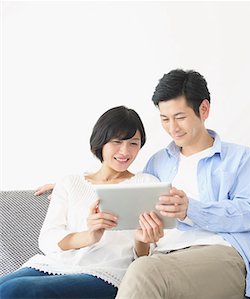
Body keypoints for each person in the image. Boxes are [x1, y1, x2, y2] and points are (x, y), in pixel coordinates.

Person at [35, 69, 250, 298]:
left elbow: (248, 214)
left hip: (218, 254)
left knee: (142, 271)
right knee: (142, 269)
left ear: (204, 109)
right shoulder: (159, 162)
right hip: (161, 258)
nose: (172, 128)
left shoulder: (240, 158)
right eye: (165, 119)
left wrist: (190, 209)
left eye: (180, 117)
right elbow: (130, 190)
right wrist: (76, 185)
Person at [0, 106, 162, 298]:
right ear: (100, 142)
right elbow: (48, 239)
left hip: (108, 272)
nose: (125, 151)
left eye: (133, 143)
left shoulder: (146, 184)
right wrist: (90, 236)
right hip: (55, 264)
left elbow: (145, 256)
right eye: (117, 142)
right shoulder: (70, 183)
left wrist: (142, 239)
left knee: (18, 290)